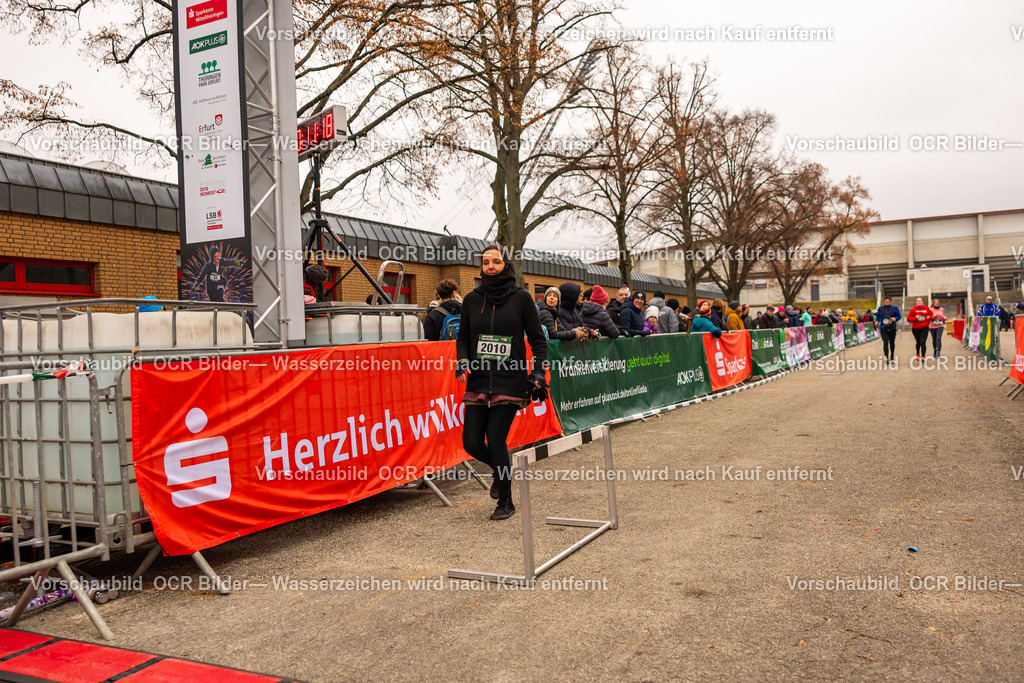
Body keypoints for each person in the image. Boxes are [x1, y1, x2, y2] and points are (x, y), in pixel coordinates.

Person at [456, 246, 547, 521]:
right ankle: (500, 470)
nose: (491, 266)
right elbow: (462, 338)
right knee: (471, 443)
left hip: (510, 379)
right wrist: (462, 361)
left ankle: (506, 501)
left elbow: (538, 340)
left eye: (496, 261)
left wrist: (539, 372)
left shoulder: (521, 298)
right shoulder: (472, 300)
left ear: (505, 264)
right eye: (486, 262)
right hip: (480, 379)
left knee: (496, 439)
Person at [875, 296, 901, 364]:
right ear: (884, 301)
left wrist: (895, 318)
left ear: (890, 301)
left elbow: (899, 316)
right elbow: (878, 316)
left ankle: (892, 356)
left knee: (892, 342)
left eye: (888, 300)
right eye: (886, 300)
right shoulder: (880, 308)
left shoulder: (895, 308)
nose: (887, 301)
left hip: (892, 328)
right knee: (885, 342)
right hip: (883, 328)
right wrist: (876, 321)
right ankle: (886, 357)